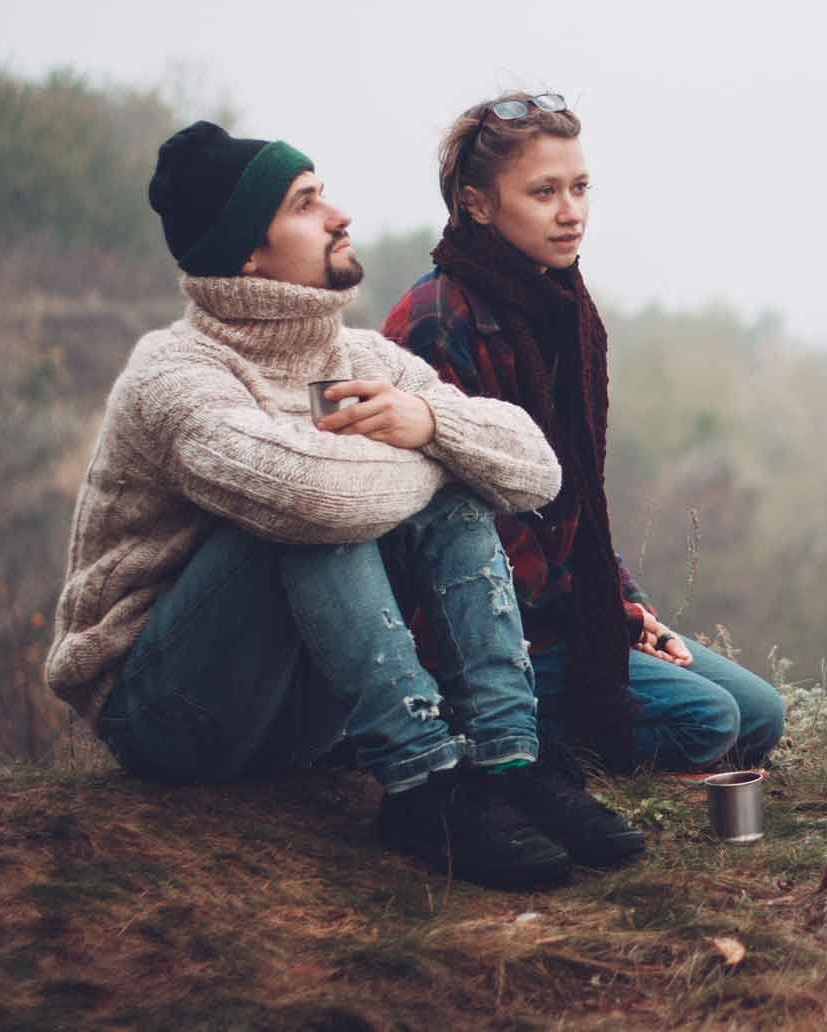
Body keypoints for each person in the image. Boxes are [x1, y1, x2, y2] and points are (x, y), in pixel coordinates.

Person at [41, 121, 645, 890]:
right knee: (321, 512)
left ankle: (508, 761)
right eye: (305, 203)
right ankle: (424, 785)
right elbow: (320, 496)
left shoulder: (357, 357)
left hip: (298, 718)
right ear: (247, 253)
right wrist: (439, 456)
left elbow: (534, 470)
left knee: (437, 469)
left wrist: (430, 425)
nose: (338, 215)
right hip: (166, 716)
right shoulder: (174, 376)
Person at [380, 91, 786, 776]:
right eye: (543, 192)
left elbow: (575, 507)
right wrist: (603, 621)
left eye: (579, 187)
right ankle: (489, 735)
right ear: (477, 203)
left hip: (564, 608)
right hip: (482, 630)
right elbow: (464, 523)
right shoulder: (437, 319)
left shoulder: (562, 304)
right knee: (708, 723)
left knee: (759, 716)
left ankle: (583, 714)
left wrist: (627, 604)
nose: (571, 212)